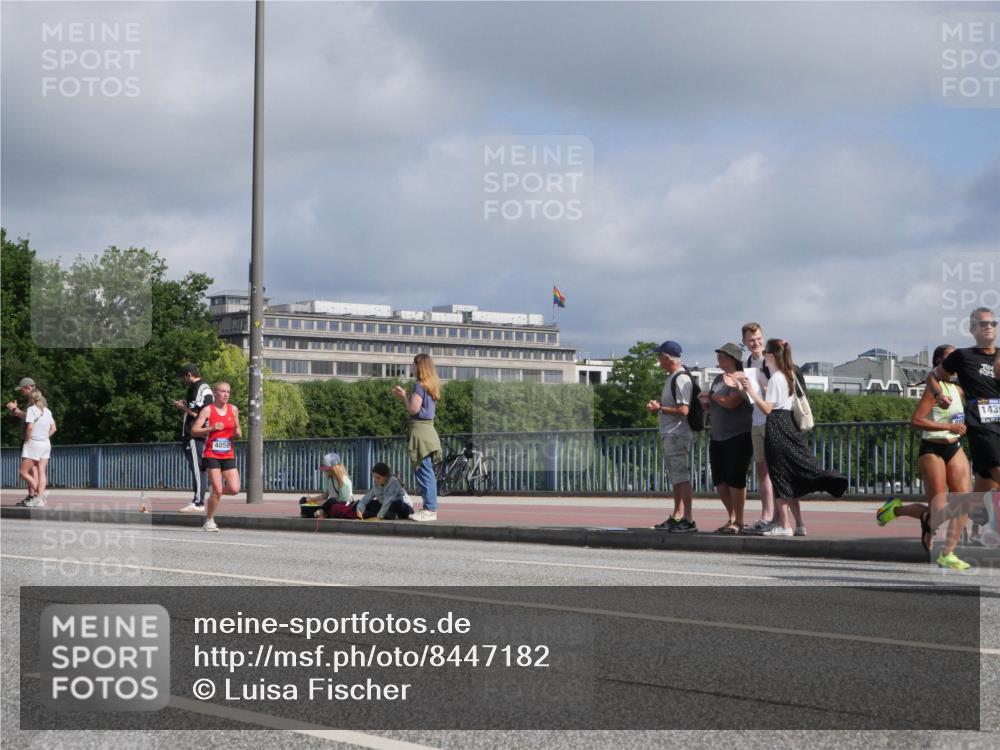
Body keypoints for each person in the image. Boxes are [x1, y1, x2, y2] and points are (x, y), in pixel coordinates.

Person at [735, 339, 848, 536]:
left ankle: (785, 525)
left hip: (777, 426)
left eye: (766, 354)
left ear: (770, 356)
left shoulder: (776, 377)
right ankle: (798, 524)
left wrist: (750, 390)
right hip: (788, 424)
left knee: (779, 476)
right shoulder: (788, 375)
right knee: (789, 475)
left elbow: (768, 408)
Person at [876, 345, 971, 569]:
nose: (956, 361)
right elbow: (916, 420)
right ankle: (893, 510)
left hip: (954, 447)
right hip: (932, 449)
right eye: (951, 357)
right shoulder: (933, 389)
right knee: (938, 510)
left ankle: (948, 553)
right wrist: (948, 425)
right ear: (939, 362)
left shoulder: (957, 389)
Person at [926, 306, 1000, 541]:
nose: (988, 327)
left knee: (974, 498)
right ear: (972, 329)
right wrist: (939, 395)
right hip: (982, 428)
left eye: (992, 324)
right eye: (983, 324)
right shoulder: (963, 356)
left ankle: (932, 521)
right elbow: (933, 375)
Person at [702, 343, 753, 533]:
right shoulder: (718, 379)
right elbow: (718, 403)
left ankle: (739, 520)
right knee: (719, 480)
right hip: (718, 435)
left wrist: (712, 396)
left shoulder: (739, 378)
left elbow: (732, 402)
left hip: (738, 434)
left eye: (722, 355)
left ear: (733, 358)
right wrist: (707, 403)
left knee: (735, 478)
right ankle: (731, 516)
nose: (719, 358)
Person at [648, 341, 697, 533]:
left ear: (667, 358)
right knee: (676, 477)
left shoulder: (681, 378)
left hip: (678, 434)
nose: (658, 360)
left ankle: (689, 518)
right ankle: (677, 515)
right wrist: (660, 406)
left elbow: (683, 410)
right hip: (670, 433)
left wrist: (659, 408)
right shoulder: (672, 377)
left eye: (659, 356)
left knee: (681, 477)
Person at [740, 323, 779, 534]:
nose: (756, 343)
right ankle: (766, 515)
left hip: (772, 419)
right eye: (751, 340)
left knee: (776, 471)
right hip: (756, 419)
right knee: (762, 470)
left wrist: (761, 388)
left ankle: (780, 518)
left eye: (758, 339)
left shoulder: (770, 359)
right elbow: (748, 394)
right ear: (745, 342)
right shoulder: (747, 362)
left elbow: (779, 388)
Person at [393, 353, 441, 522]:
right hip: (429, 431)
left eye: (413, 365)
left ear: (419, 367)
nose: (411, 368)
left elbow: (413, 409)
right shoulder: (431, 385)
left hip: (420, 432)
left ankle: (430, 509)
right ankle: (430, 508)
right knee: (427, 471)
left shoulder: (419, 385)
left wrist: (403, 397)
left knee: (423, 471)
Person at [191, 382, 241, 532]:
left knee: (234, 488)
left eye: (228, 392)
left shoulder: (233, 409)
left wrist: (238, 432)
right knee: (219, 490)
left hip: (228, 453)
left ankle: (215, 493)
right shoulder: (208, 410)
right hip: (212, 454)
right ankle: (209, 520)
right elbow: (194, 430)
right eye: (222, 391)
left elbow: (237, 427)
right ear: (215, 393)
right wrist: (211, 428)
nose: (226, 394)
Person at [173, 364, 214, 513]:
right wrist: (186, 405)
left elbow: (197, 414)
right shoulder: (205, 388)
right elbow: (202, 408)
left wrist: (182, 407)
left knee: (197, 468)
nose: (184, 381)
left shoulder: (195, 388)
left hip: (193, 434)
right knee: (199, 467)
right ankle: (198, 499)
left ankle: (198, 502)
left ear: (189, 375)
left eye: (184, 377)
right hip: (202, 433)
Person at [20, 390, 57, 508]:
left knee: (23, 472)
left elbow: (30, 427)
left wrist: (27, 440)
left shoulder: (31, 409)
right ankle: (40, 498)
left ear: (31, 399)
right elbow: (54, 428)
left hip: (33, 443)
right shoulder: (47, 411)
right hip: (46, 444)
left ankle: (40, 494)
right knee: (41, 470)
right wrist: (45, 437)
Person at [7, 377, 39, 505]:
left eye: (22, 390)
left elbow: (28, 417)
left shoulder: (35, 401)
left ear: (28, 388)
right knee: (33, 469)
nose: (21, 393)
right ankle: (32, 495)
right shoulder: (33, 401)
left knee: (30, 470)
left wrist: (15, 410)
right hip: (32, 439)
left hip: (30, 439)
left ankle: (37, 495)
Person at [302, 452, 356, 519]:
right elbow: (325, 495)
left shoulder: (344, 481)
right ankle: (321, 512)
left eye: (327, 469)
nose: (325, 471)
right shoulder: (329, 479)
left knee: (331, 502)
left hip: (344, 505)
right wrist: (311, 499)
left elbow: (345, 501)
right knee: (313, 504)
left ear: (334, 468)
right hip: (331, 504)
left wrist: (326, 504)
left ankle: (321, 512)